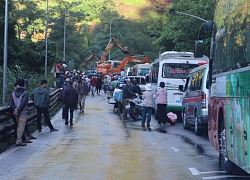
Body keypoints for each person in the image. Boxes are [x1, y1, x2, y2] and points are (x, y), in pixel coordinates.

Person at [10, 78, 29, 146]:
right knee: (21, 126)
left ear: (17, 84)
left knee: (18, 126)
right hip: (22, 112)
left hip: (15, 112)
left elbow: (11, 102)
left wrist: (15, 109)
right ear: (24, 84)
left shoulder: (13, 92)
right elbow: (23, 103)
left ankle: (18, 139)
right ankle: (18, 141)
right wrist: (18, 110)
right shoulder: (25, 92)